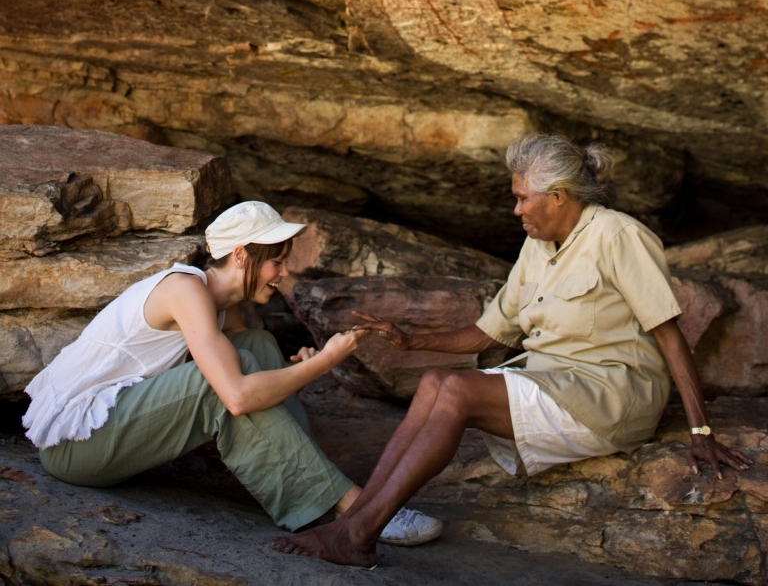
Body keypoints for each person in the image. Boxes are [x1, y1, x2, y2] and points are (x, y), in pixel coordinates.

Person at [271, 133, 753, 568]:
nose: (517, 210)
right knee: (437, 381)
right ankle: (353, 525)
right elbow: (491, 333)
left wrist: (700, 430)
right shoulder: (537, 246)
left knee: (456, 390)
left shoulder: (617, 235)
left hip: (608, 398)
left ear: (558, 196)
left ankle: (357, 533)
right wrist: (412, 339)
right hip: (553, 384)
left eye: (523, 198)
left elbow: (670, 333)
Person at [23, 200, 441, 543]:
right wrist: (323, 362)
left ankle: (318, 489)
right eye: (276, 262)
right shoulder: (185, 291)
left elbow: (252, 370)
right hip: (75, 444)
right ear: (240, 255)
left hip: (116, 427)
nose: (284, 273)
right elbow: (237, 395)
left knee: (257, 347)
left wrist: (294, 369)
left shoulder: (226, 306)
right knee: (223, 386)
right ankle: (362, 509)